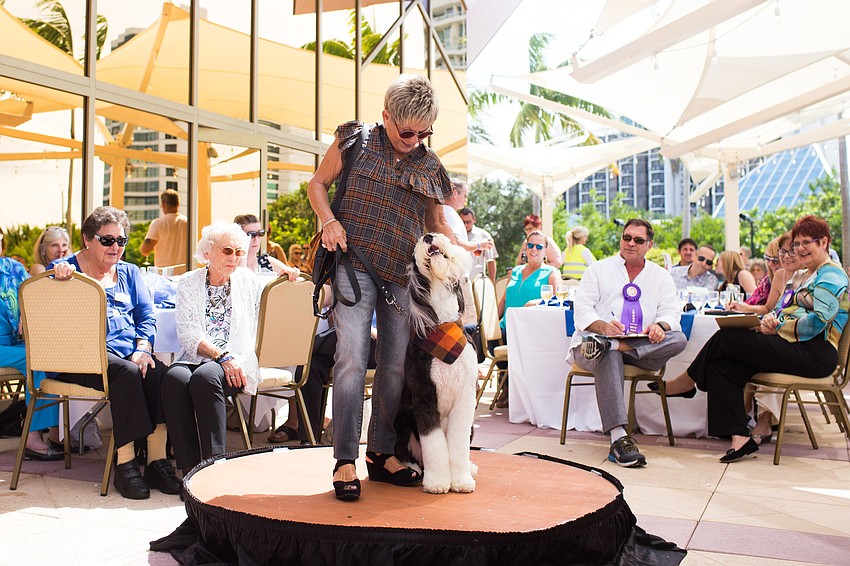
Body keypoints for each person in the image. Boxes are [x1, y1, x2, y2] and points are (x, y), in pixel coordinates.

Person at [306, 74, 456, 501]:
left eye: (424, 132)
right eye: (407, 131)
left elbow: (435, 222)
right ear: (386, 116)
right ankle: (345, 460)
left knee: (394, 366)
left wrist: (456, 249)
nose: (415, 139)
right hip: (354, 266)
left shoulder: (429, 165)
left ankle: (381, 452)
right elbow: (318, 184)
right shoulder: (352, 141)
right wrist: (329, 221)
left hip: (402, 276)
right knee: (351, 357)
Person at [661, 215, 847, 462]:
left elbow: (818, 321)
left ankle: (686, 382)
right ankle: (740, 438)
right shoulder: (806, 275)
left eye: (806, 243)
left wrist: (777, 328)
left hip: (815, 352)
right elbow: (784, 310)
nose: (800, 249)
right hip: (794, 345)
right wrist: (771, 320)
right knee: (721, 366)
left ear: (823, 242)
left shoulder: (831, 275)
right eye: (797, 244)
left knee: (726, 338)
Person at [51, 206, 179, 499]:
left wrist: (144, 348)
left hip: (124, 356)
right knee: (127, 373)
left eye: (121, 241)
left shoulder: (130, 272)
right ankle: (126, 463)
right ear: (87, 239)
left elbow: (147, 317)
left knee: (161, 374)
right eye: (107, 240)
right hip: (78, 358)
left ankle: (157, 461)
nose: (115, 247)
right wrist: (57, 278)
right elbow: (42, 306)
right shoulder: (66, 270)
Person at [162, 222, 298, 473]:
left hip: (237, 359)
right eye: (227, 251)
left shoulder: (247, 280)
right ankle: (189, 469)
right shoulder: (189, 283)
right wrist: (220, 355)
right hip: (201, 356)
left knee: (205, 377)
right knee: (173, 379)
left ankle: (214, 469)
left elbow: (274, 292)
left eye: (238, 252)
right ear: (207, 252)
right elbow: (188, 333)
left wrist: (287, 276)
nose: (234, 258)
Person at [569, 218, 687, 467]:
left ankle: (615, 345)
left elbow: (671, 314)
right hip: (592, 344)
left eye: (638, 240)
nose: (631, 243)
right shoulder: (598, 269)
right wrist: (603, 328)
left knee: (679, 338)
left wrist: (660, 326)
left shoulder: (661, 276)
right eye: (627, 237)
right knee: (607, 355)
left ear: (649, 245)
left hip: (637, 347)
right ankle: (619, 437)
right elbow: (581, 311)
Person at [0, 230, 61, 460]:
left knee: (42, 355)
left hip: (13, 345)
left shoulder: (11, 268)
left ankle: (56, 433)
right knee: (33, 357)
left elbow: (33, 293)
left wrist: (27, 316)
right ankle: (34, 437)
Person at [233, 214, 299, 280]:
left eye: (260, 233)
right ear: (239, 237)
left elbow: (291, 273)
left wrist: (293, 272)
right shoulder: (231, 265)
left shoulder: (267, 261)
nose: (256, 239)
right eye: (251, 234)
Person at [140, 189, 188, 275]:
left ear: (163, 204)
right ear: (178, 204)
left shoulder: (158, 223)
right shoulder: (188, 223)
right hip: (185, 274)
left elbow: (145, 250)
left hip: (163, 275)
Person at [442, 180, 493, 257]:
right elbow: (455, 243)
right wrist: (479, 245)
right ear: (455, 193)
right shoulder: (450, 213)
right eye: (465, 196)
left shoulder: (443, 211)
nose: (466, 200)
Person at [459, 206, 498, 282]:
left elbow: (491, 261)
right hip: (459, 283)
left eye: (468, 222)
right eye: (463, 222)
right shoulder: (456, 236)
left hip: (477, 283)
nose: (465, 225)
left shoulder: (484, 236)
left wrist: (491, 284)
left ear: (474, 220)